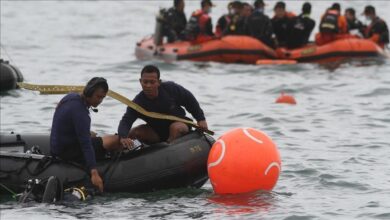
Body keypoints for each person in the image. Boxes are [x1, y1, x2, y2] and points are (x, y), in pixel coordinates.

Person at [50, 77, 123, 193]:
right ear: (89, 93)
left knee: (92, 134)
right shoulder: (81, 113)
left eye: (103, 98)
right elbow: (86, 145)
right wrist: (94, 172)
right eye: (98, 97)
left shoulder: (70, 97)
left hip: (57, 148)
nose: (100, 101)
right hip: (68, 152)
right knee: (115, 140)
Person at [118, 65, 208, 146]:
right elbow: (126, 121)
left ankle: (168, 150)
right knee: (135, 132)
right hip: (156, 132)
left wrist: (201, 119)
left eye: (152, 82)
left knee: (175, 128)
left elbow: (189, 100)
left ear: (159, 82)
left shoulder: (171, 89)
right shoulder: (137, 103)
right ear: (140, 81)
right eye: (145, 82)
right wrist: (123, 136)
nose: (148, 86)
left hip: (180, 125)